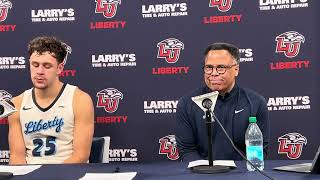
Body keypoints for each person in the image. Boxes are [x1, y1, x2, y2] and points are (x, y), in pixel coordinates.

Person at [175, 42, 269, 162]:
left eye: (221, 67)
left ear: (236, 70)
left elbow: (261, 149)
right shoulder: (187, 103)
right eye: (209, 67)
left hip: (241, 174)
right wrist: (204, 171)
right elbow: (186, 150)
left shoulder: (256, 102)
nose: (214, 73)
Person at [8, 36, 94, 164]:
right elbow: (16, 157)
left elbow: (81, 156)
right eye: (35, 65)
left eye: (47, 66)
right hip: (29, 174)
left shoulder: (80, 100)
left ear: (59, 68)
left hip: (68, 173)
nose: (39, 71)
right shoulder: (17, 103)